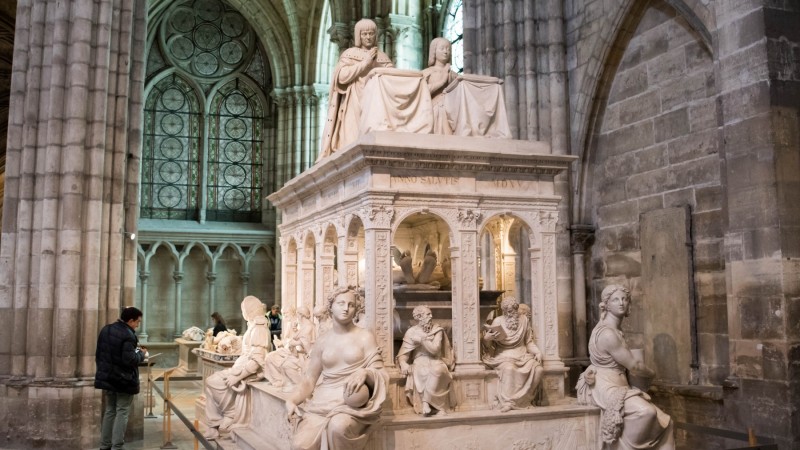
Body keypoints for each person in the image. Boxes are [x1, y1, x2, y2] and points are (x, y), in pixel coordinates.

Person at [285, 286, 389, 450]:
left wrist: (366, 372)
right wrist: (291, 400)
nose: (346, 308)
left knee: (338, 427)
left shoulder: (364, 337)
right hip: (321, 404)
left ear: (356, 309)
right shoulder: (322, 341)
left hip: (351, 405)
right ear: (331, 306)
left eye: (351, 305)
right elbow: (309, 380)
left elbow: (381, 373)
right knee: (300, 446)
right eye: (341, 303)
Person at [576, 285, 674, 449]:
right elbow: (634, 366)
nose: (621, 303)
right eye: (615, 299)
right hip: (605, 387)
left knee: (665, 421)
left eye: (624, 299)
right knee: (646, 413)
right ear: (606, 305)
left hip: (619, 385)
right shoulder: (608, 334)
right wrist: (651, 373)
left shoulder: (616, 330)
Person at [318, 18, 393, 160]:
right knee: (352, 140)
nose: (368, 37)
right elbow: (341, 77)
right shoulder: (350, 54)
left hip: (375, 104)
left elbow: (391, 79)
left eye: (371, 33)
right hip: (353, 103)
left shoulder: (382, 57)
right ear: (359, 36)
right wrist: (365, 64)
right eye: (364, 34)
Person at [204, 296, 270, 439]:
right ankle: (213, 424)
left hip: (248, 372)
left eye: (243, 310)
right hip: (240, 367)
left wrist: (237, 377)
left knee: (213, 382)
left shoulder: (259, 329)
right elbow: (246, 348)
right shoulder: (252, 326)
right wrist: (230, 339)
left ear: (249, 310)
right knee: (210, 381)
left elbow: (258, 359)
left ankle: (231, 412)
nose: (242, 313)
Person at [94, 306, 148, 450]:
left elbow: (99, 354)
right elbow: (130, 359)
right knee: (122, 412)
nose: (137, 325)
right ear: (130, 321)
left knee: (110, 410)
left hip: (108, 377)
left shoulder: (106, 329)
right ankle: (117, 446)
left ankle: (105, 445)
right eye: (137, 322)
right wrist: (142, 354)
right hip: (123, 379)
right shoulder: (128, 335)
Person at [481, 297, 543, 412]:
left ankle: (525, 400)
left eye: (513, 310)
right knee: (509, 369)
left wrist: (537, 352)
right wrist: (486, 338)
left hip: (522, 354)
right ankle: (508, 402)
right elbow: (489, 345)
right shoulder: (498, 321)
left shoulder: (524, 320)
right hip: (504, 355)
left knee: (539, 369)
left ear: (516, 308)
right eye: (508, 311)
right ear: (503, 311)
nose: (511, 313)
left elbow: (529, 342)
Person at [396, 305, 455, 416]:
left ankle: (426, 402)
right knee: (422, 371)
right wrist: (403, 363)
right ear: (419, 317)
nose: (431, 316)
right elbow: (403, 354)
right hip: (420, 361)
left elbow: (435, 349)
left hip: (436, 360)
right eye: (428, 314)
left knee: (438, 370)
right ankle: (435, 407)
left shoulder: (437, 330)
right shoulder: (411, 332)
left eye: (430, 314)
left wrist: (422, 339)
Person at [264, 305, 316, 390]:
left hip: (300, 354)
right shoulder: (300, 325)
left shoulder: (307, 326)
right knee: (269, 357)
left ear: (301, 315)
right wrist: (283, 342)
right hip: (292, 350)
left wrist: (290, 342)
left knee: (278, 361)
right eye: (283, 313)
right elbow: (294, 340)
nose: (284, 315)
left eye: (286, 312)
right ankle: (278, 380)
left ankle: (285, 382)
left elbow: (305, 344)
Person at [422, 37, 458, 135]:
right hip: (433, 110)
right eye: (442, 48)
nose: (446, 52)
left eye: (448, 49)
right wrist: (441, 82)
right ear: (434, 51)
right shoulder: (426, 73)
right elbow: (421, 93)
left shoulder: (455, 75)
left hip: (451, 112)